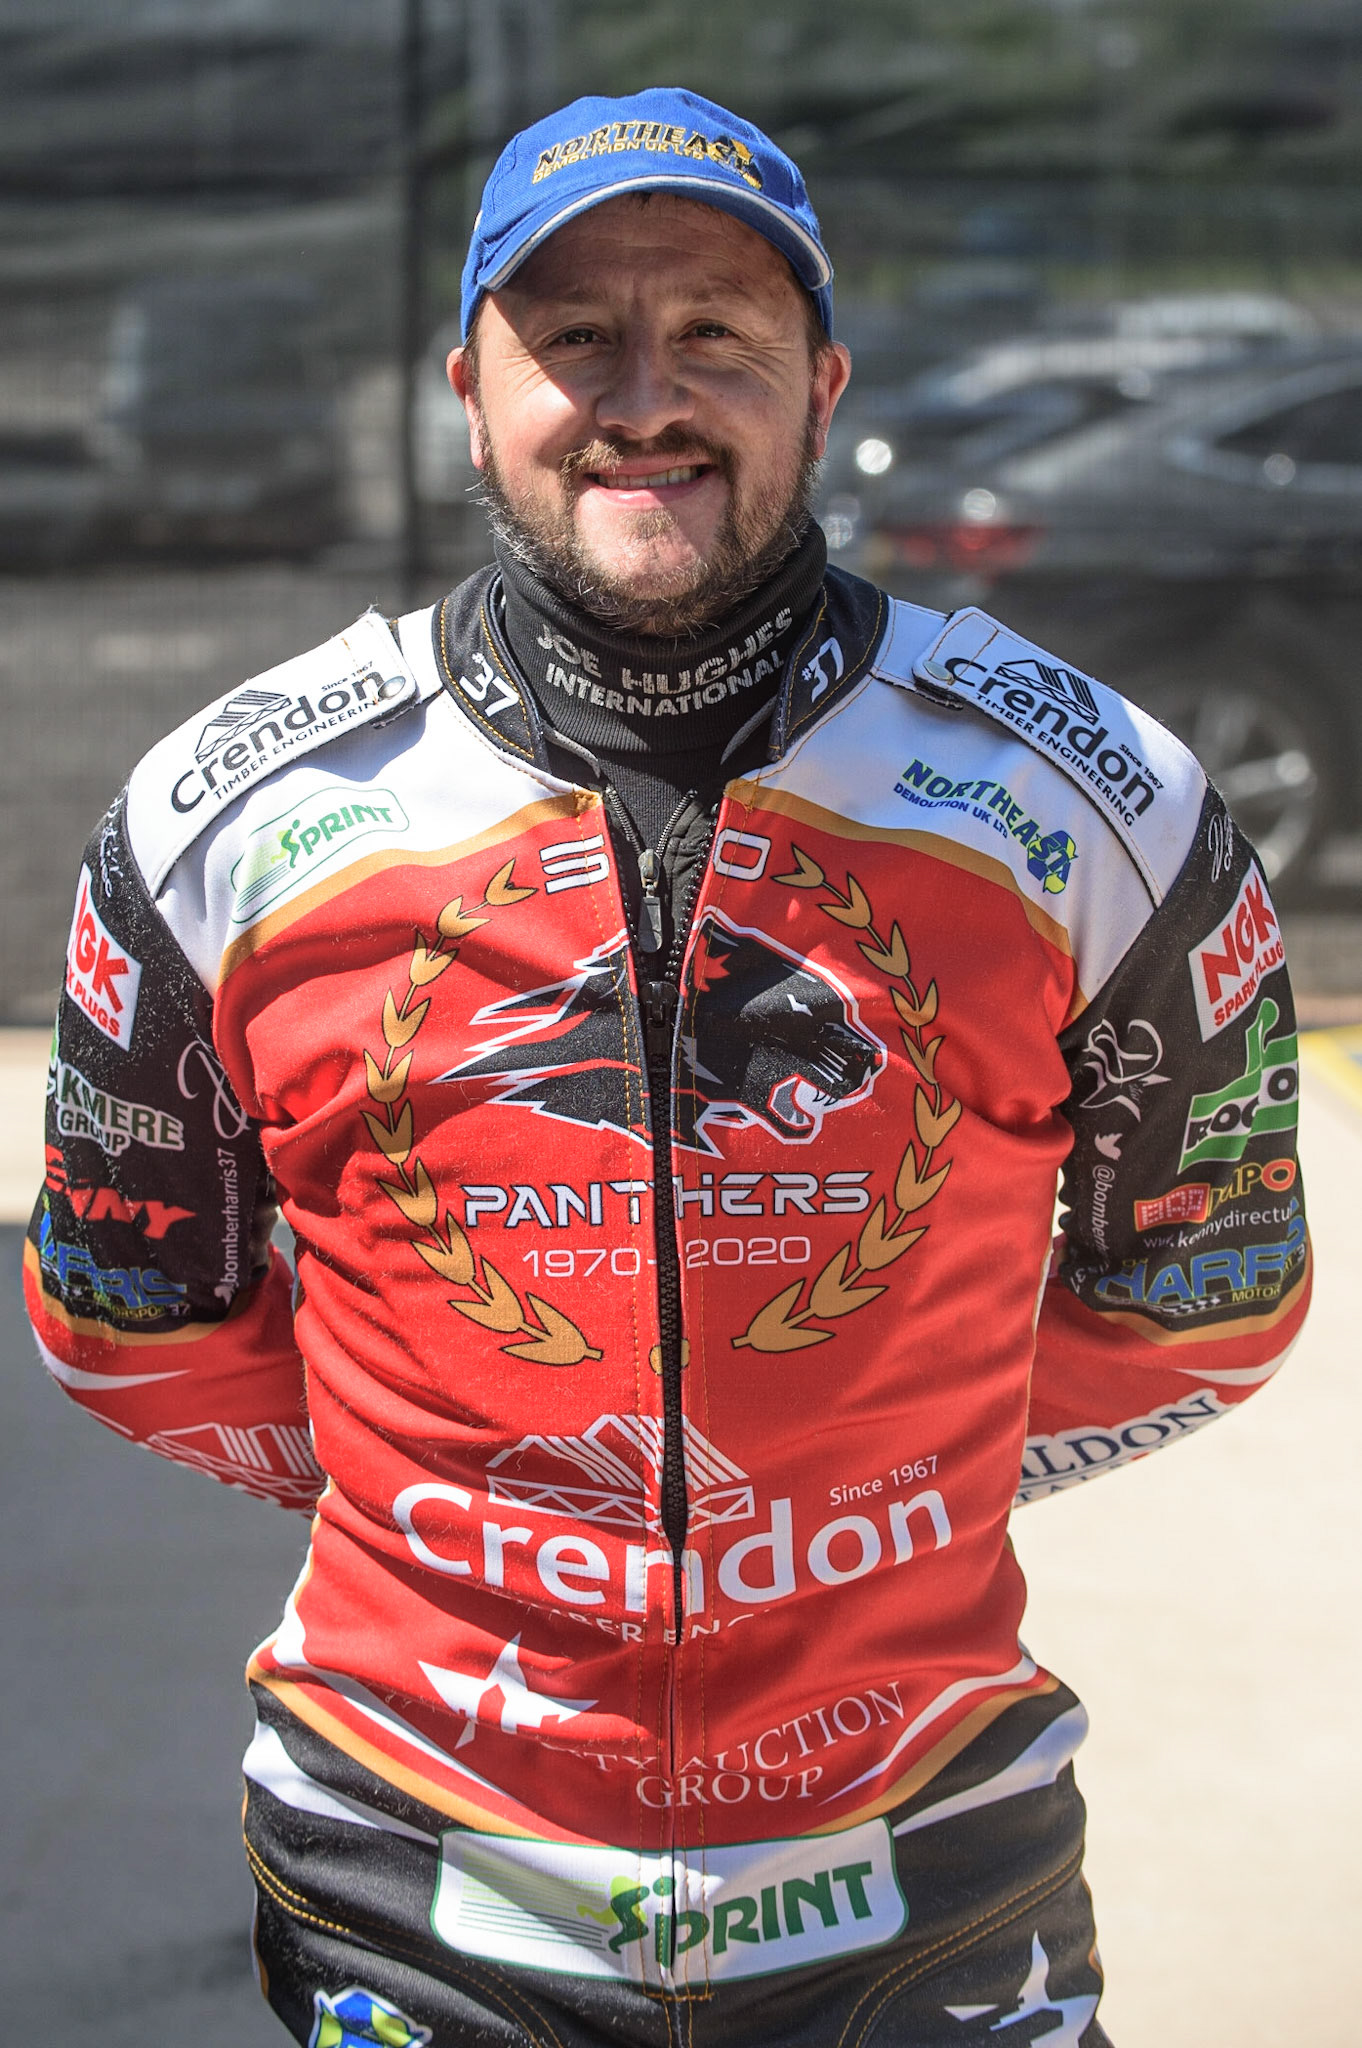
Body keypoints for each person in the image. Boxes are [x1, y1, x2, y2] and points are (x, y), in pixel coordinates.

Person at [27, 86, 1310, 2048]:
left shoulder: (1091, 794)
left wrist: (897, 1460)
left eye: (716, 331)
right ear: (469, 387)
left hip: (930, 1863)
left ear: (823, 381)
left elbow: (1211, 1293)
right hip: (414, 1876)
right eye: (576, 337)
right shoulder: (231, 813)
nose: (645, 395)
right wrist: (439, 1478)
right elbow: (126, 1316)